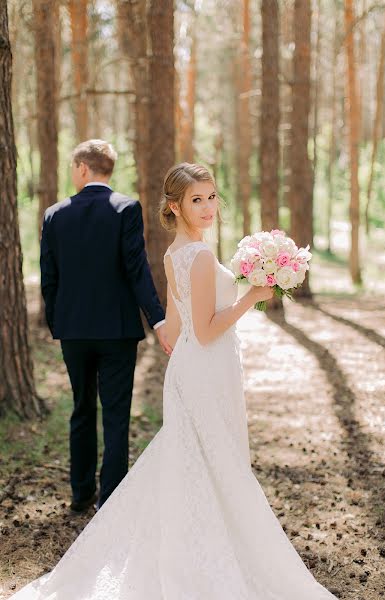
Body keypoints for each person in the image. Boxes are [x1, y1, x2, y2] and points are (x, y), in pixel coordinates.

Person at [11, 163, 337, 599]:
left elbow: (178, 321)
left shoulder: (175, 253)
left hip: (194, 365)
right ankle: (206, 560)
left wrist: (174, 341)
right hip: (205, 364)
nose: (206, 207)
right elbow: (205, 329)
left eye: (211, 197)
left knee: (200, 462)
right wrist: (253, 298)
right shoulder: (198, 256)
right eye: (195, 200)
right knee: (215, 462)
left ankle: (203, 545)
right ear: (175, 206)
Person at [39, 139, 171, 512]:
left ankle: (81, 494)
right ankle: (110, 502)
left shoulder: (54, 214)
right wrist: (156, 317)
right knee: (116, 414)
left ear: (82, 168)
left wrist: (57, 322)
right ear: (106, 169)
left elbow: (49, 276)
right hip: (117, 330)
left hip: (74, 331)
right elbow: (137, 269)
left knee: (81, 408)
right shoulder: (126, 208)